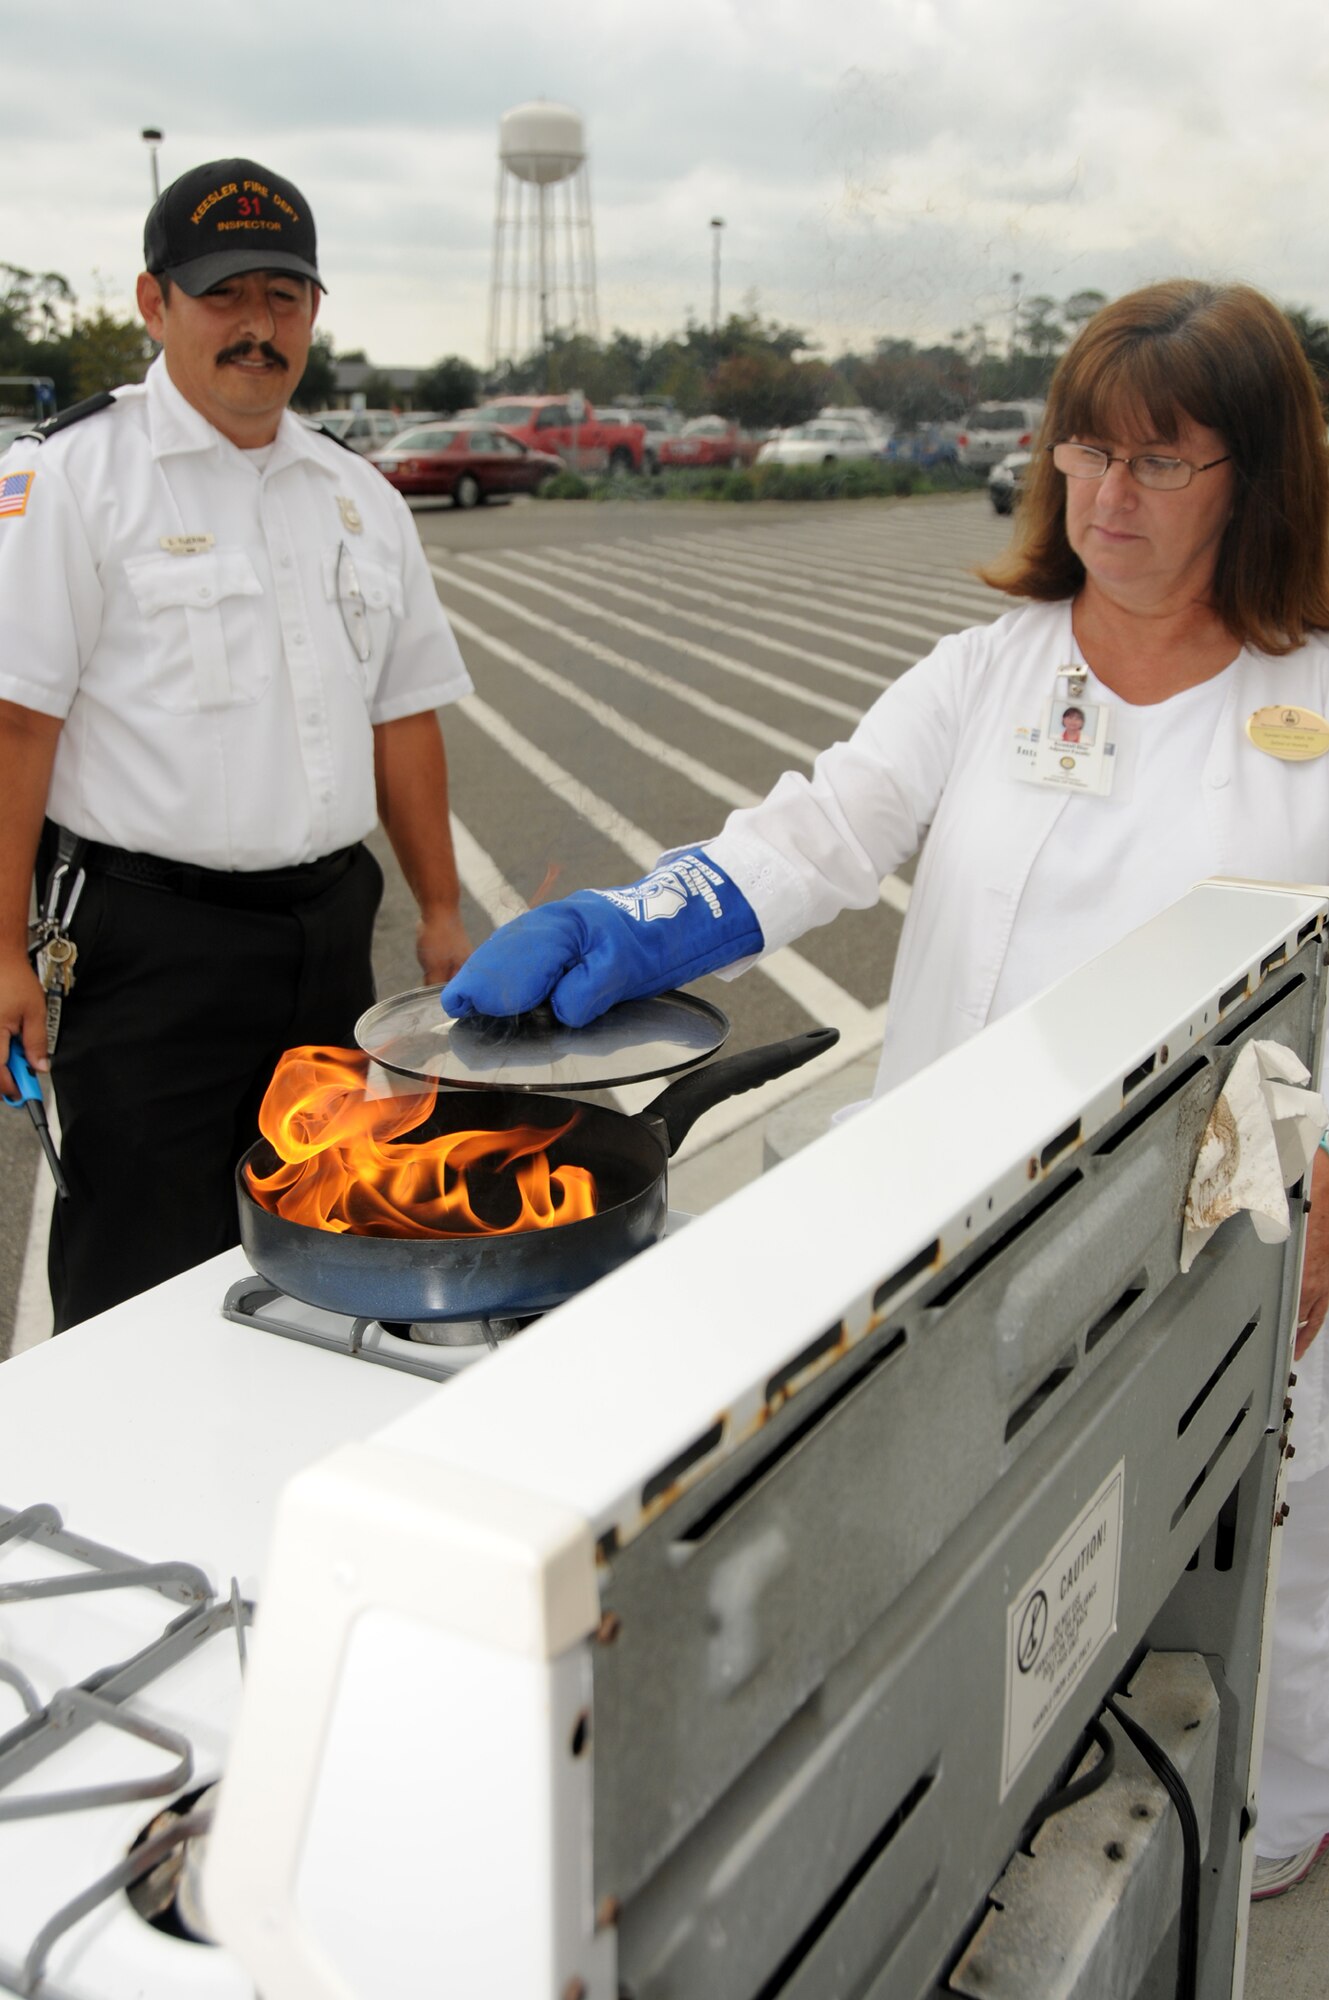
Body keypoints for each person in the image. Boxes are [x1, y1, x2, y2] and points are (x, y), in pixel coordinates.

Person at [439, 279, 1329, 1898]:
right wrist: (634, 922)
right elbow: (812, 834)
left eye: (1160, 462)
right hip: (966, 1239)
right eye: (1082, 450)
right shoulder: (986, 674)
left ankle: (1252, 1830)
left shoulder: (1314, 703)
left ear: (1253, 481)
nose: (1106, 498)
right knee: (967, 1573)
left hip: (1230, 1242)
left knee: (1257, 1573)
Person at [0, 156, 474, 1331]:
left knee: (322, 1247)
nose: (257, 326)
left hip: (325, 942)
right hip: (150, 950)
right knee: (140, 1279)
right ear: (154, 304)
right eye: (224, 295)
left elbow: (403, 712)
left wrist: (442, 910)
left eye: (285, 295)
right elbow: (16, 724)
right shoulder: (71, 480)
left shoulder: (360, 497)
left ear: (315, 311)